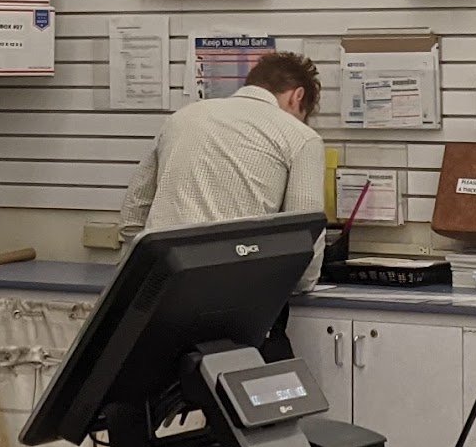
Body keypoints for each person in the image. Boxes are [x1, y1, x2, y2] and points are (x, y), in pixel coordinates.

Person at [118, 52, 326, 355]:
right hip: (233, 306)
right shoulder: (300, 136)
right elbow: (305, 238)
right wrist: (303, 284)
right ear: (298, 96)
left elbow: (133, 215)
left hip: (158, 298)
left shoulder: (181, 119)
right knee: (266, 377)